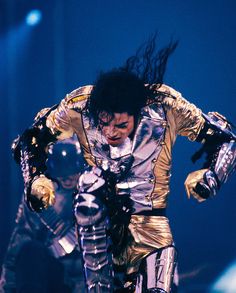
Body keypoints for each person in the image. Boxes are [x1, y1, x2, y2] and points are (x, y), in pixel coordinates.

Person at [11, 36, 236, 292]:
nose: (111, 133)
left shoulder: (165, 107)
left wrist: (211, 177)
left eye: (121, 125)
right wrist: (35, 179)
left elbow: (224, 138)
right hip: (100, 225)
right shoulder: (78, 107)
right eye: (104, 124)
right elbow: (29, 139)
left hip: (150, 227)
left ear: (137, 114)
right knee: (88, 192)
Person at [0, 138, 86, 293]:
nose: (68, 179)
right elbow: (20, 241)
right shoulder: (41, 196)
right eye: (63, 174)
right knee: (31, 251)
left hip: (89, 278)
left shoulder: (97, 193)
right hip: (54, 278)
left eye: (72, 173)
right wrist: (6, 287)